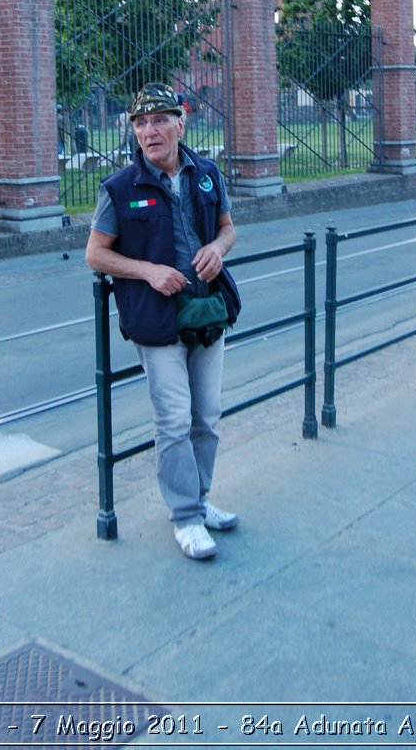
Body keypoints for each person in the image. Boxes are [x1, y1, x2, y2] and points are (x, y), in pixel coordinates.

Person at [86, 82, 241, 561]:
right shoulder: (119, 189)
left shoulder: (207, 174)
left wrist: (217, 249)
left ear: (181, 122)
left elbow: (228, 229)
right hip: (158, 320)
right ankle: (186, 518)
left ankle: (201, 497)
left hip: (207, 312)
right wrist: (147, 271)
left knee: (207, 418)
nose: (149, 131)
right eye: (140, 123)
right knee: (173, 421)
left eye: (159, 120)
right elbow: (95, 254)